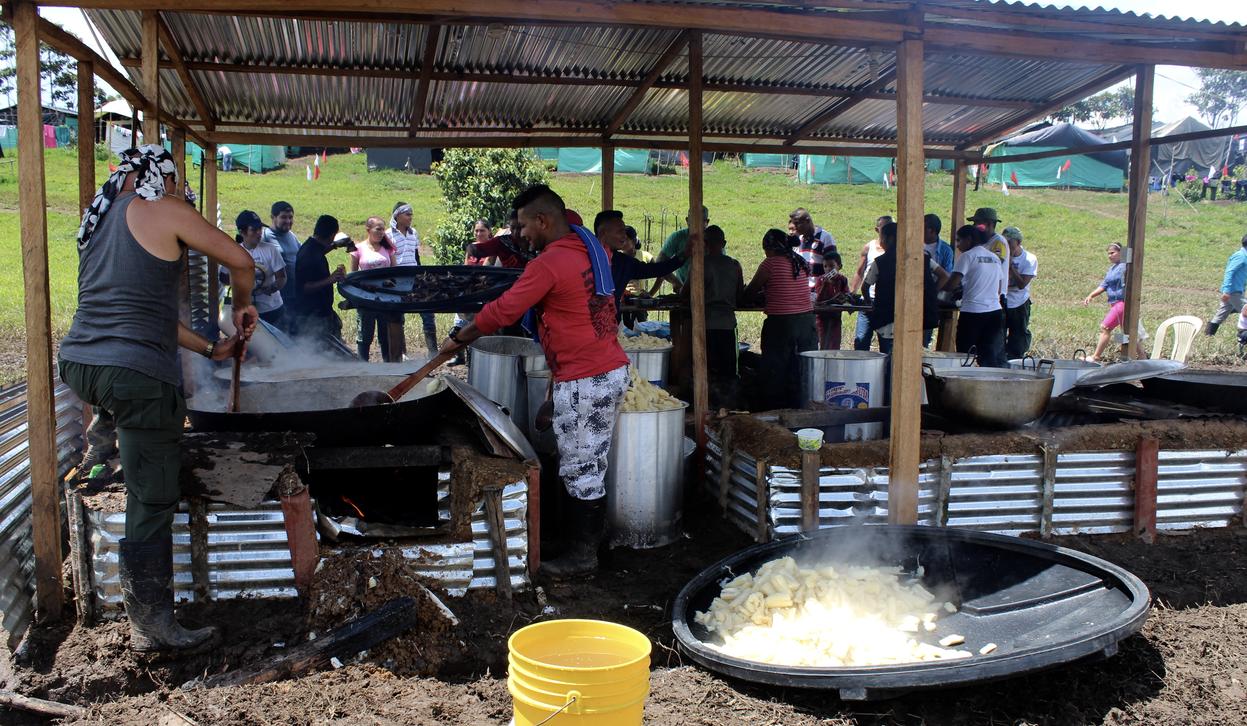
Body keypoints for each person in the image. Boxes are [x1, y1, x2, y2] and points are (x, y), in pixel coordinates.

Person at [58, 145, 256, 654]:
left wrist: (213, 347)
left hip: (83, 363)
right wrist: (241, 308)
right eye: (176, 184)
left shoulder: (100, 223)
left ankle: (107, 442)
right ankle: (152, 628)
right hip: (136, 376)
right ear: (161, 178)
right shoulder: (163, 208)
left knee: (131, 419)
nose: (179, 193)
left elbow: (151, 319)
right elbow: (240, 258)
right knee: (153, 496)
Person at [440, 185, 629, 578]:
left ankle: (583, 558)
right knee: (589, 460)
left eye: (524, 226)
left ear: (543, 221)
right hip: (607, 369)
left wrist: (459, 337)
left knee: (581, 466)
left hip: (586, 377)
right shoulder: (589, 245)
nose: (520, 235)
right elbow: (571, 217)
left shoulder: (549, 263)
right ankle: (587, 542)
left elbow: (504, 309)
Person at [744, 228, 817, 410]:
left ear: (769, 248)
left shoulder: (770, 264)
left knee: (775, 371)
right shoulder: (799, 262)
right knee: (800, 369)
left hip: (782, 324)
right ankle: (800, 407)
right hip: (807, 323)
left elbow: (749, 293)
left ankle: (774, 411)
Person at [863, 223, 945, 355]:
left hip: (888, 322)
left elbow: (865, 287)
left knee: (889, 360)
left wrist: (870, 304)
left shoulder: (880, 261)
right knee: (917, 358)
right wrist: (930, 294)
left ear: (889, 239)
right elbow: (944, 276)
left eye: (882, 238)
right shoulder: (921, 258)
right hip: (918, 319)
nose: (881, 241)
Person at [595, 209, 684, 324]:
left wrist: (683, 255)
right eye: (620, 231)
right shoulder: (585, 257)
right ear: (603, 233)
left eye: (625, 232)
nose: (624, 236)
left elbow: (655, 270)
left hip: (610, 327)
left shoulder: (624, 262)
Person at [943, 225, 1006, 366]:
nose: (957, 245)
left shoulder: (967, 256)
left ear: (969, 239)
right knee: (989, 355)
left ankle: (967, 384)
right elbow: (999, 288)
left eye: (959, 240)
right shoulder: (994, 258)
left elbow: (951, 284)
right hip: (994, 312)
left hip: (973, 313)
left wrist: (937, 287)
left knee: (966, 355)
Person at [388, 202, 438, 358]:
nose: (411, 217)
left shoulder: (413, 233)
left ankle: (432, 351)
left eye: (411, 214)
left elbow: (417, 256)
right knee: (399, 315)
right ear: (398, 216)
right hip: (399, 278)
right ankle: (402, 352)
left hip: (415, 276)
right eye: (407, 214)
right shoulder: (388, 235)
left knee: (427, 311)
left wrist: (421, 274)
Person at [289, 215, 348, 343]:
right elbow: (304, 288)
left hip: (321, 311)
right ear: (332, 234)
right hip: (311, 316)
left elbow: (318, 253)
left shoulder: (313, 246)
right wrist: (331, 279)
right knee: (321, 349)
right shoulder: (307, 255)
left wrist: (335, 245)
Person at [350, 216, 396, 361]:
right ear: (368, 230)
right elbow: (352, 275)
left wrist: (390, 282)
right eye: (378, 229)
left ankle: (388, 366)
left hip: (385, 298)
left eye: (383, 229)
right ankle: (362, 366)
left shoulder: (388, 249)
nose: (382, 232)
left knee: (385, 335)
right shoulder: (358, 249)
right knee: (364, 335)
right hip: (366, 298)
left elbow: (395, 272)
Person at [230, 210, 287, 328]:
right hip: (245, 310)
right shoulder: (234, 253)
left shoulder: (270, 249)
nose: (259, 233)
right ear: (242, 232)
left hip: (272, 309)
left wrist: (273, 287)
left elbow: (281, 277)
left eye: (260, 229)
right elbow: (224, 277)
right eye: (254, 230)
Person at [850, 215, 892, 350]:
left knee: (887, 347)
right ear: (877, 229)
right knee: (861, 343)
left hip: (885, 304)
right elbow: (859, 272)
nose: (888, 230)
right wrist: (852, 293)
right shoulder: (869, 247)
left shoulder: (897, 251)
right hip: (867, 302)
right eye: (884, 227)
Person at [648, 205, 709, 295]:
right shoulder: (678, 237)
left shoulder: (713, 238)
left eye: (699, 221)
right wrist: (677, 283)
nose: (695, 225)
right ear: (687, 220)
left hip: (708, 294)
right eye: (692, 221)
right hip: (683, 292)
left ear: (706, 222)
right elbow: (660, 264)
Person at [1083, 242, 1127, 362]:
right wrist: (1091, 295)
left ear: (1121, 253)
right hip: (1114, 303)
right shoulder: (1112, 269)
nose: (1109, 256)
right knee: (1127, 333)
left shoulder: (1125, 266)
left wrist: (1126, 252)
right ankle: (1141, 357)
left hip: (1121, 303)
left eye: (1112, 253)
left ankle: (1096, 356)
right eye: (1108, 254)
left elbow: (1131, 257)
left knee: (1105, 327)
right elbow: (1105, 284)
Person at [1003, 226, 1038, 360]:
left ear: (1018, 242)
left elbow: (1022, 284)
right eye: (1004, 242)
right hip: (1001, 300)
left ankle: (1015, 361)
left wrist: (1010, 266)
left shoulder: (1029, 259)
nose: (1007, 246)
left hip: (1019, 303)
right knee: (998, 336)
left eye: (1010, 242)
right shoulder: (999, 255)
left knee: (1018, 337)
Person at [263, 201, 300, 319]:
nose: (288, 221)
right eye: (283, 217)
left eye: (290, 217)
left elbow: (303, 255)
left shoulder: (291, 235)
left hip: (295, 294)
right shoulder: (265, 238)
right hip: (278, 298)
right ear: (272, 217)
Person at [968, 207, 1011, 305]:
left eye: (977, 223)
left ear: (989, 224)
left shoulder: (999, 242)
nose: (974, 226)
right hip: (982, 295)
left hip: (994, 297)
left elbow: (993, 266)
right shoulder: (981, 241)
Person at [1206, 233, 1247, 336]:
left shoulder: (1244, 256)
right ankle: (1243, 336)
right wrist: (1226, 291)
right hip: (1233, 292)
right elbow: (1229, 272)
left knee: (1221, 314)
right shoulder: (1240, 256)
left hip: (1236, 291)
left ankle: (1208, 335)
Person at [468, 209, 534, 269]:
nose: (516, 232)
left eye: (519, 228)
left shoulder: (536, 242)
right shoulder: (502, 242)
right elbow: (475, 249)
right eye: (513, 227)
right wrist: (472, 249)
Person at [789, 207, 837, 284]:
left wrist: (822, 286)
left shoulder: (825, 237)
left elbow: (834, 269)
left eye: (797, 223)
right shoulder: (799, 239)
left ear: (807, 221)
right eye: (793, 223)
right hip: (802, 290)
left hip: (819, 291)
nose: (795, 227)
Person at [813, 251, 849, 350]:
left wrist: (844, 298)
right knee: (823, 343)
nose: (828, 269)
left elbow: (846, 295)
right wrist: (825, 285)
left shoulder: (842, 280)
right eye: (825, 266)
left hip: (836, 317)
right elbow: (818, 300)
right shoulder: (820, 280)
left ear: (839, 266)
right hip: (822, 318)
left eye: (831, 266)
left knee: (835, 344)